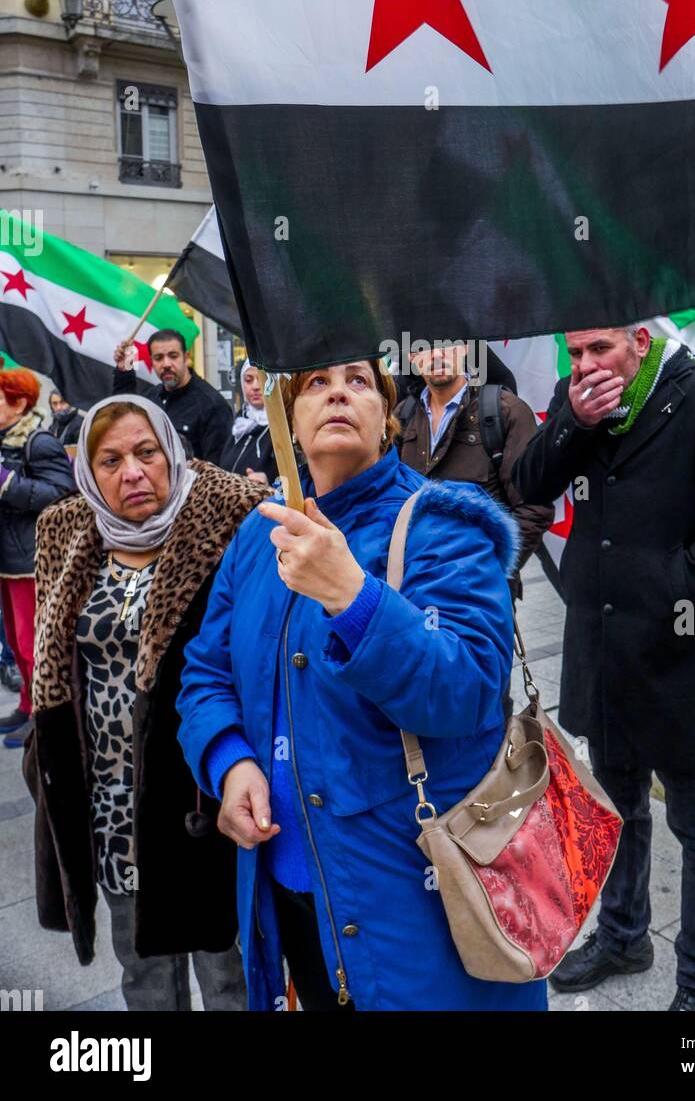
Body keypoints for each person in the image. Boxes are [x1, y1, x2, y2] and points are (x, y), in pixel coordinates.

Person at [176, 359, 546, 1013]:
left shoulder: (449, 522)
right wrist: (228, 763)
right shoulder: (257, 538)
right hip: (289, 901)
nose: (336, 392)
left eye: (357, 380)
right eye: (314, 384)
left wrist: (352, 595)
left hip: (413, 910)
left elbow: (469, 690)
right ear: (287, 419)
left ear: (386, 415)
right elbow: (206, 672)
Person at [513, 327, 695, 1011]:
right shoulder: (585, 407)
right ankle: (625, 935)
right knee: (618, 806)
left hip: (680, 651)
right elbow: (530, 480)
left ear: (637, 339)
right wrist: (574, 417)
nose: (587, 364)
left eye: (600, 349)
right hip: (602, 649)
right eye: (577, 354)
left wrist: (676, 585)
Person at [24, 396, 269, 1009]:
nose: (130, 472)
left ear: (172, 453)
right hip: (111, 809)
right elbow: (52, 669)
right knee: (143, 976)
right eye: (109, 460)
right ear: (87, 471)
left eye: (145, 452)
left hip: (200, 796)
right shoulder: (67, 534)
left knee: (225, 972)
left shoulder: (229, 525)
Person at [395, 341, 553, 597]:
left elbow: (535, 508)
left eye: (447, 343)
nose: (436, 355)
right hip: (415, 590)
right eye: (425, 347)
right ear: (412, 356)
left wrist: (490, 571)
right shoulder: (404, 415)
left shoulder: (506, 411)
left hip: (482, 596)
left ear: (467, 347)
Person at [0, 369, 75, 748]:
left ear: (18, 402)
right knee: (15, 642)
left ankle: (40, 716)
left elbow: (62, 493)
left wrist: (8, 484)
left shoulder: (38, 441)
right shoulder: (4, 439)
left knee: (33, 644)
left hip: (31, 559)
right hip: (8, 557)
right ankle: (26, 703)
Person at [113, 329, 233, 465]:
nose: (166, 364)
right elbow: (123, 417)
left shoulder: (212, 405)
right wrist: (125, 367)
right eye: (158, 358)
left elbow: (219, 471)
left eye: (173, 356)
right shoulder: (152, 397)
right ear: (151, 361)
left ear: (186, 358)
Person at [218, 360, 278, 485]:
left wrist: (270, 482)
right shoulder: (239, 423)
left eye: (262, 379)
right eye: (248, 380)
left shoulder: (284, 426)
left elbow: (294, 482)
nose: (255, 386)